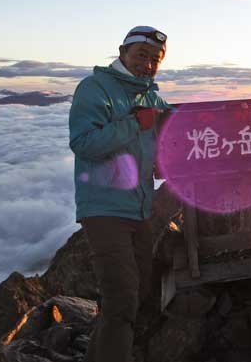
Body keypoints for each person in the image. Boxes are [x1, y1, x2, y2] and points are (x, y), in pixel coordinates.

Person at [68, 26, 172, 362]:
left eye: (156, 59)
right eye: (141, 55)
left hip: (139, 208)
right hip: (104, 209)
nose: (148, 64)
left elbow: (162, 141)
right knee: (123, 298)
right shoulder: (95, 88)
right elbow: (83, 143)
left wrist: (161, 162)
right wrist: (133, 124)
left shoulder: (152, 97)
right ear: (122, 52)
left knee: (133, 295)